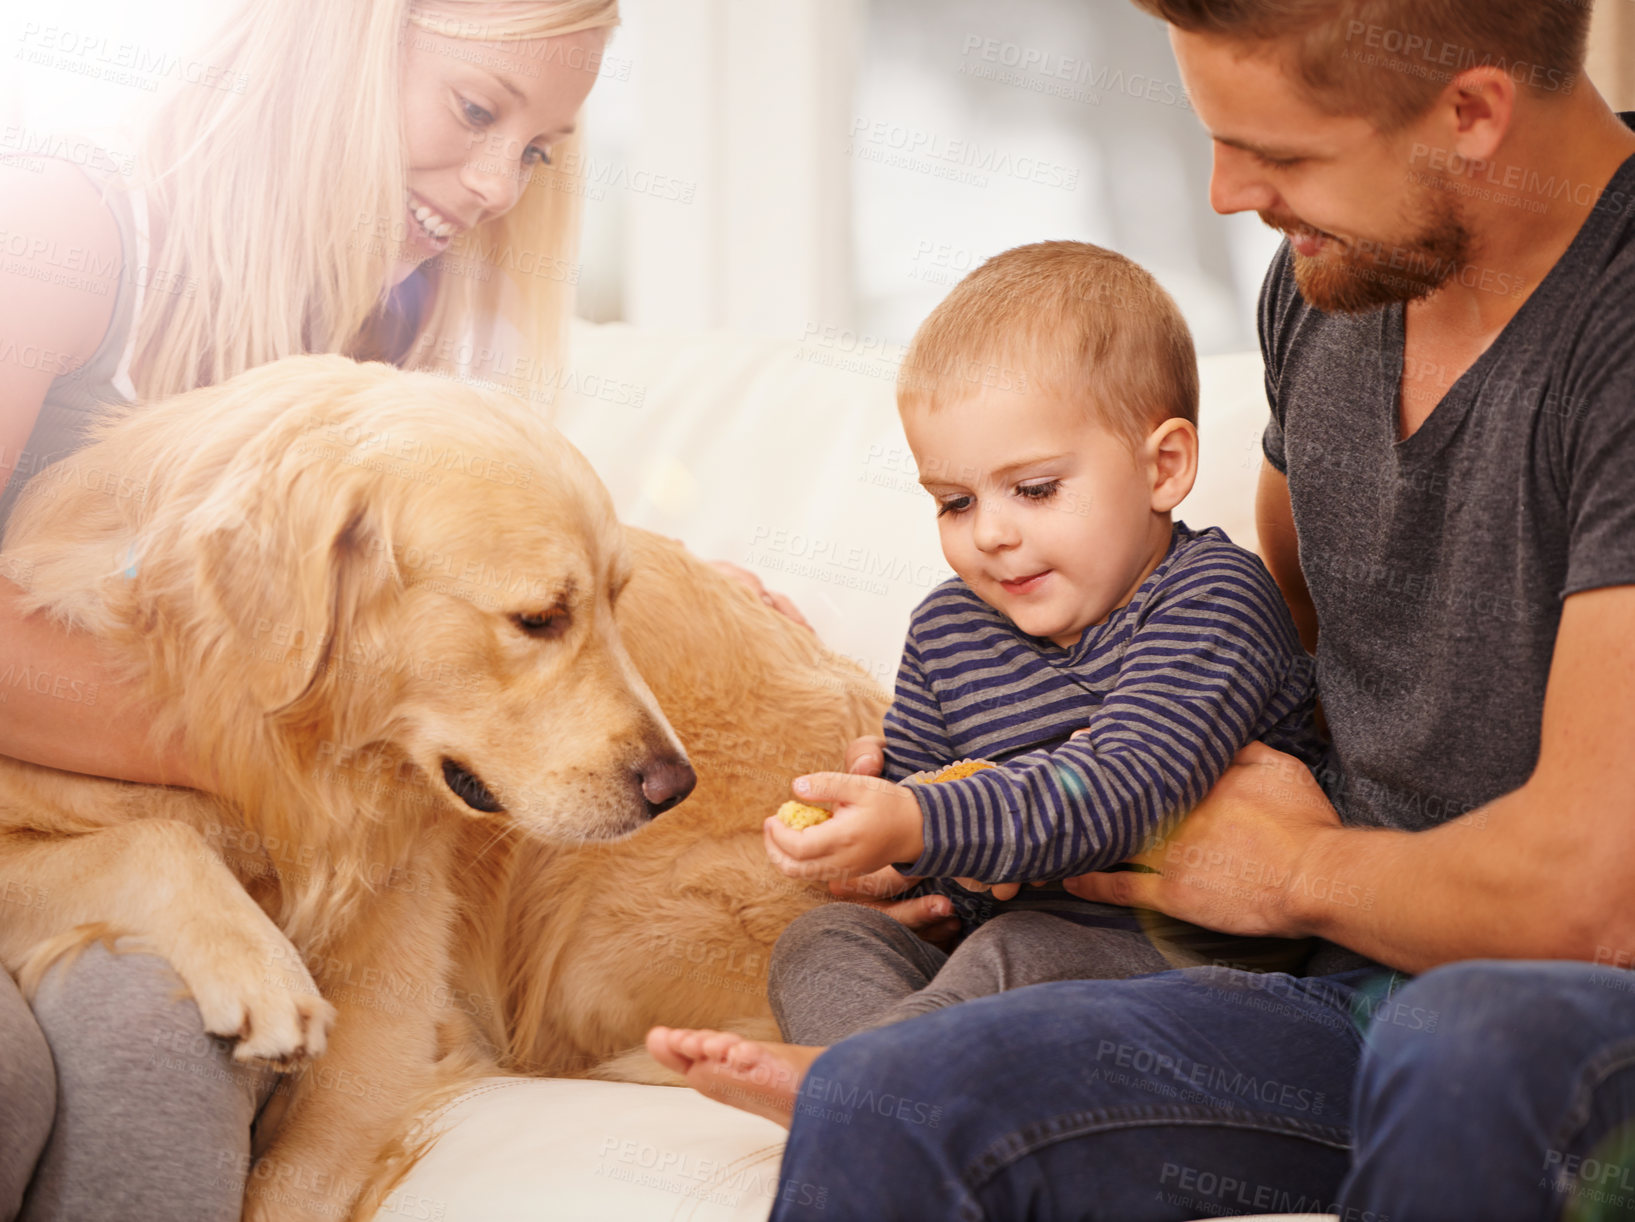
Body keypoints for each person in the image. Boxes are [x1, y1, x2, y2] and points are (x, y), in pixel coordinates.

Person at [645, 1, 1635, 1218]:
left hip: (1538, 1000)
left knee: (1468, 1039)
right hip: (1310, 983)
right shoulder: (1336, 276)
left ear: (1470, 115)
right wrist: (963, 802)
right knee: (884, 1091)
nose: (1226, 194)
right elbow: (1290, 637)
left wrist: (1298, 873)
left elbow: (1595, 906)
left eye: (1283, 154)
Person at [0, 4, 629, 1219]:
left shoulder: (400, 328)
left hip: (162, 863)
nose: (502, 183)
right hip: (57, 831)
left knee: (162, 1034)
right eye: (476, 108)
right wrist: (280, 763)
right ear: (332, 51)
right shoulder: (64, 232)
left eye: (540, 146)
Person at [653, 240, 1323, 1080]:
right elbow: (929, 811)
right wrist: (903, 870)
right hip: (999, 957)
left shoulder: (1212, 598)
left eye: (1034, 489)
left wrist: (922, 825)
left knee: (1022, 947)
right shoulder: (947, 629)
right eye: (955, 502)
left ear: (1163, 467)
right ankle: (877, 1084)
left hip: (1191, 961)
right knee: (826, 937)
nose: (990, 534)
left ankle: (862, 1083)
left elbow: (1123, 786)